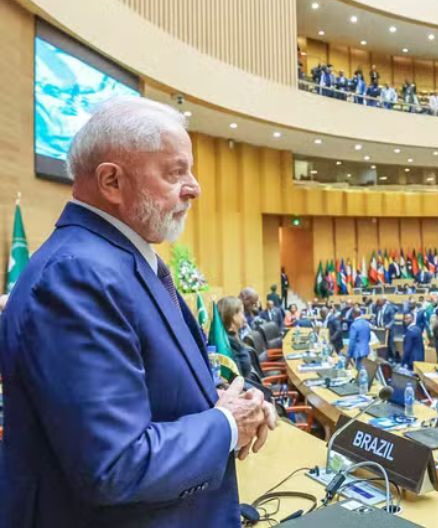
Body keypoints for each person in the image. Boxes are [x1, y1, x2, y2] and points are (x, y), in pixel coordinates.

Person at [0, 97, 276, 525]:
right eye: (175, 171)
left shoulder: (119, 260)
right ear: (111, 181)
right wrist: (225, 425)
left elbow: (157, 396)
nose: (195, 187)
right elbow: (115, 464)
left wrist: (225, 404)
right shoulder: (76, 278)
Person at [217, 296, 254, 382]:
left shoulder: (233, 337)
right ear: (233, 316)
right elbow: (238, 379)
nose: (244, 318)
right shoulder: (228, 344)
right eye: (242, 313)